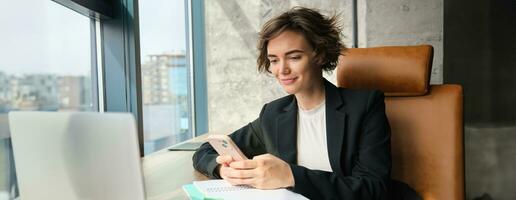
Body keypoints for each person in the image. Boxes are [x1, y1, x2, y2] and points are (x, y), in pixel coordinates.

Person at [193, 6, 391, 200]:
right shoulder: (273, 113)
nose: (282, 70)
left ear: (320, 54)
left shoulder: (364, 106)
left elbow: (372, 188)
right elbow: (205, 151)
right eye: (274, 60)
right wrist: (222, 169)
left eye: (294, 57)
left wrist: (290, 175)